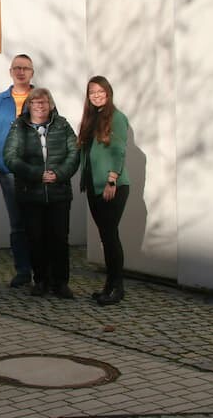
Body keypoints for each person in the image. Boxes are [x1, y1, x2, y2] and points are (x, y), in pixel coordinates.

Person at [2, 87, 79, 298]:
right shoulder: (19, 127)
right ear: (29, 106)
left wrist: (59, 174)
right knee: (35, 238)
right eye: (34, 103)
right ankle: (41, 280)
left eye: (43, 103)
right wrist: (37, 174)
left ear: (51, 105)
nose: (39, 107)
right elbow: (10, 157)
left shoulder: (62, 125)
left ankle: (61, 283)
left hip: (58, 193)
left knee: (59, 239)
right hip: (31, 193)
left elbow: (74, 152)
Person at [0, 53, 36, 288]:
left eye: (25, 68)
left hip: (35, 172)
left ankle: (41, 270)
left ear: (32, 72)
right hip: (7, 172)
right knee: (17, 224)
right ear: (10, 72)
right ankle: (22, 270)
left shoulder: (41, 98)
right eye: (17, 68)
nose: (21, 71)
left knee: (36, 222)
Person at [78, 76, 130, 306]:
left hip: (111, 186)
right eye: (92, 92)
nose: (96, 95)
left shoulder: (117, 118)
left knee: (110, 236)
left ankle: (117, 287)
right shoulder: (91, 119)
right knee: (105, 237)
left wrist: (112, 180)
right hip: (93, 185)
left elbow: (119, 149)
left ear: (108, 93)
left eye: (100, 91)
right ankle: (108, 286)